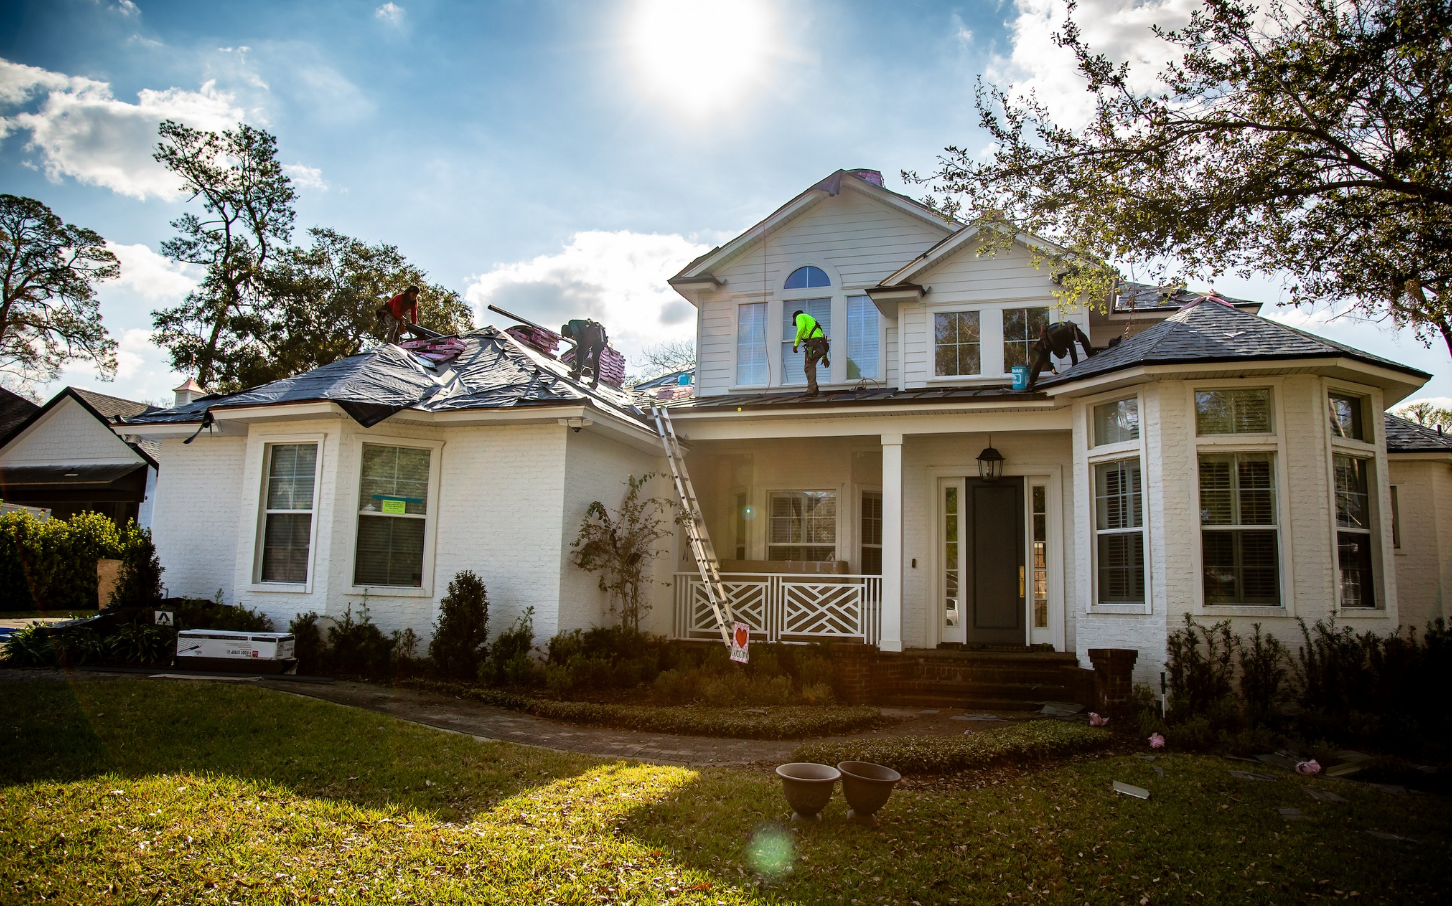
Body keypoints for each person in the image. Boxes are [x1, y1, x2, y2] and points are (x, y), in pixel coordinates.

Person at [1026, 321, 1095, 388]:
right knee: (1082, 337)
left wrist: (1051, 368)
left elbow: (1041, 361)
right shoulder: (1060, 342)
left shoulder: (1050, 345)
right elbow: (1073, 354)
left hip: (1059, 331)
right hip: (1062, 329)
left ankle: (1031, 381)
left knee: (1041, 358)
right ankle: (1090, 353)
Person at [791, 309, 831, 396]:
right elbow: (822, 344)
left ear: (794, 317)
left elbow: (801, 329)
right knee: (809, 365)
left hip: (813, 345)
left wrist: (795, 345)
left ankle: (812, 390)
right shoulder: (812, 320)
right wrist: (824, 357)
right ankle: (814, 388)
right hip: (817, 345)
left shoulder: (799, 316)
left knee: (808, 367)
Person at [560, 318, 608, 387]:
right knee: (595, 359)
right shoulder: (582, 327)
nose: (571, 337)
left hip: (593, 334)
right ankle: (595, 382)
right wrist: (578, 364)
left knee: (579, 350)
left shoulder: (571, 323)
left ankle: (577, 372)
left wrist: (577, 366)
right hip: (601, 336)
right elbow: (586, 351)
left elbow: (577, 335)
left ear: (567, 330)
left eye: (568, 336)